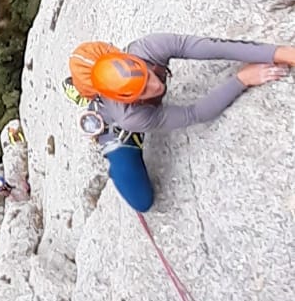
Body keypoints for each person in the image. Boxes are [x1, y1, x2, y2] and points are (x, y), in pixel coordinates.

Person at [66, 33, 295, 212]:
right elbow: (195, 114)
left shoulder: (150, 47)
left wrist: (282, 53)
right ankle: (92, 105)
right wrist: (242, 79)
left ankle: (81, 89)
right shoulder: (131, 116)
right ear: (131, 100)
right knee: (142, 200)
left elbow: (217, 48)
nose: (155, 86)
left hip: (129, 107)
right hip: (116, 127)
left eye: (147, 76)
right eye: (143, 91)